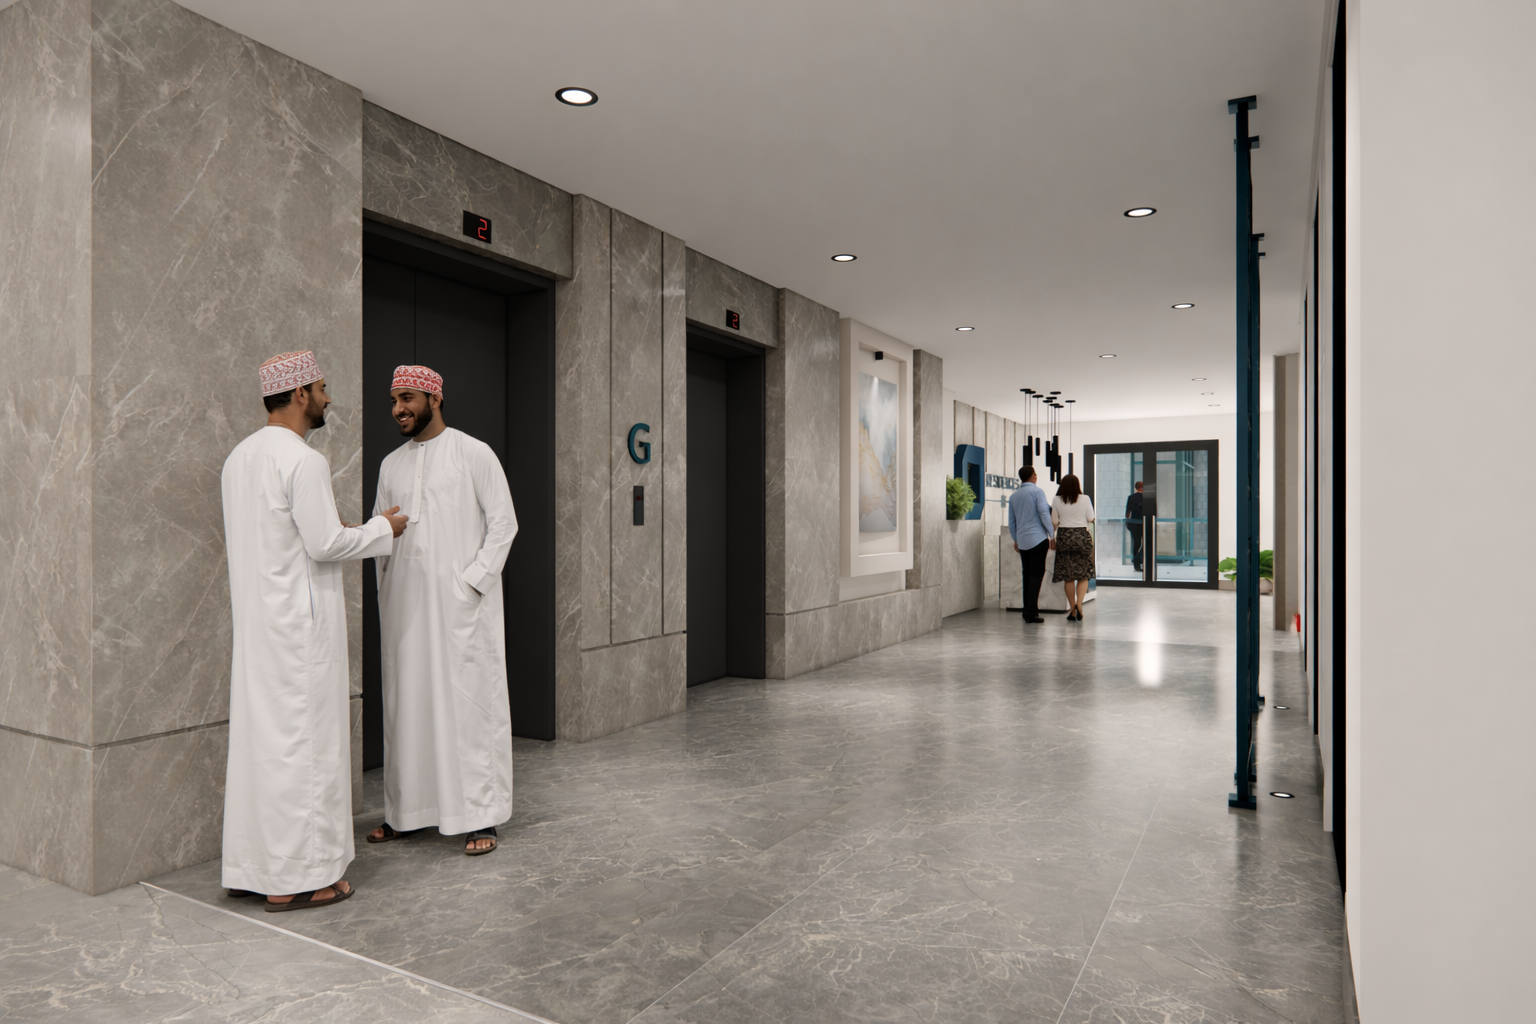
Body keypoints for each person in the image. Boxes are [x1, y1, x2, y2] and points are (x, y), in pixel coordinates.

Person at [221, 351, 409, 911]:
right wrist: (385, 528)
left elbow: (288, 537)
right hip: (300, 634)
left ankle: (254, 868)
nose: (329, 399)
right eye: (323, 388)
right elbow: (324, 544)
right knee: (305, 753)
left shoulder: (238, 458)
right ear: (300, 393)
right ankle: (304, 878)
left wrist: (339, 529)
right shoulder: (303, 460)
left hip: (258, 629)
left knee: (263, 751)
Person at [367, 366, 519, 856]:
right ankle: (406, 814)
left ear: (435, 397)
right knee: (406, 707)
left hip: (460, 610)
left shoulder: (474, 453)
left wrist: (471, 584)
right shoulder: (390, 464)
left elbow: (504, 524)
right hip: (406, 608)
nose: (398, 410)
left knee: (469, 707)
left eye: (407, 398)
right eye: (393, 401)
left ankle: (480, 816)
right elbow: (381, 531)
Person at [1008, 465, 1055, 624]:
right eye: (1036, 474)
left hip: (1023, 541)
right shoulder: (1037, 492)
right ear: (1033, 476)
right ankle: (1031, 613)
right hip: (1038, 539)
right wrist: (1051, 534)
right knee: (1036, 575)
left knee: (1026, 575)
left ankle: (1026, 610)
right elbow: (1044, 513)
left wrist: (1016, 539)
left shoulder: (1014, 496)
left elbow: (1012, 521)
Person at [1051, 473, 1096, 621]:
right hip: (1082, 536)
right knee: (1083, 574)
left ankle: (1072, 608)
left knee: (1068, 576)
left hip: (1064, 536)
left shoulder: (1057, 499)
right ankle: (1079, 604)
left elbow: (1054, 521)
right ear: (1078, 485)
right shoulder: (1085, 498)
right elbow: (1091, 518)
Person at [1124, 480, 1145, 573]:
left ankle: (1136, 565)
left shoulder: (1131, 497)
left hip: (1134, 523)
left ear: (1136, 488)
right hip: (1145, 523)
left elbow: (1127, 513)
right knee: (1147, 543)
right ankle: (1141, 560)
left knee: (1136, 543)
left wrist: (1127, 523)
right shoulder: (1147, 498)